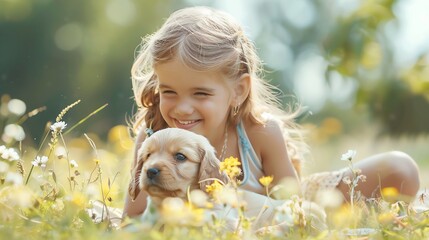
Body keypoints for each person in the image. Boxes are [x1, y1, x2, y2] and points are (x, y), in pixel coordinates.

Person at [123, 6, 420, 218]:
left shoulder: (260, 132)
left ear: (238, 90)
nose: (181, 107)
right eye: (168, 91)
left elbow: (295, 207)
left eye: (200, 93)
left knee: (400, 168)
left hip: (292, 205)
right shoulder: (153, 139)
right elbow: (132, 221)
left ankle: (391, 216)